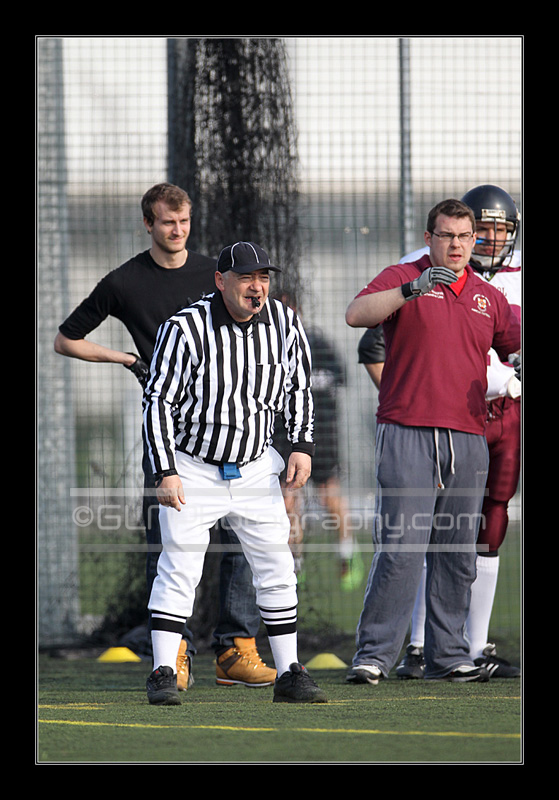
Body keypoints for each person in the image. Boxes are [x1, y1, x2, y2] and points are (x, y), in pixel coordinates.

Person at [54, 183, 276, 691]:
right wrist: (128, 359)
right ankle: (174, 655)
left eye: (184, 221)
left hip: (234, 433)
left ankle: (236, 650)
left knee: (245, 541)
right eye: (167, 222)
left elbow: (259, 327)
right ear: (148, 225)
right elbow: (66, 339)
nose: (177, 230)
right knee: (168, 545)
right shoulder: (123, 281)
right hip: (169, 437)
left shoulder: (217, 275)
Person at [143, 241, 328, 705]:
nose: (257, 286)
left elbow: (299, 387)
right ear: (220, 281)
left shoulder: (285, 322)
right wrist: (165, 470)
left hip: (255, 467)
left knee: (277, 567)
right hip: (194, 466)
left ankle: (290, 672)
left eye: (263, 277)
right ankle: (163, 670)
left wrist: (302, 446)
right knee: (179, 567)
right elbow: (158, 401)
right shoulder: (185, 328)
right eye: (246, 277)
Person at [345, 198, 521, 684]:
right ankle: (374, 656)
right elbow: (356, 314)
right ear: (430, 238)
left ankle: (448, 656)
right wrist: (411, 289)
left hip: (468, 436)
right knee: (400, 549)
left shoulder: (487, 296)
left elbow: (514, 341)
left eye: (465, 236)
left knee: (458, 552)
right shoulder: (404, 276)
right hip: (407, 429)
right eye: (447, 236)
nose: (457, 245)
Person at [272, 292, 364, 592]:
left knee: (329, 496)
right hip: (284, 435)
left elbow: (340, 379)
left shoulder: (319, 344)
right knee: (289, 499)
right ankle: (294, 563)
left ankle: (347, 555)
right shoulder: (268, 346)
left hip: (322, 435)